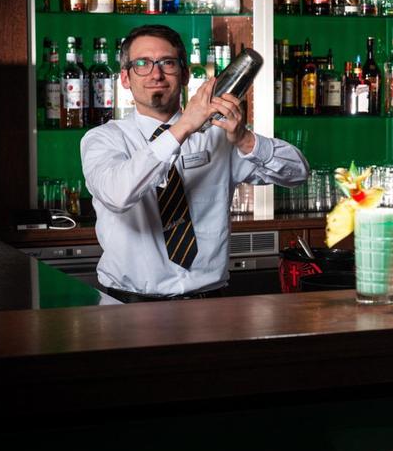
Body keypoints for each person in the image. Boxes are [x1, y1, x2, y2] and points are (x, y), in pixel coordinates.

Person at [81, 25, 309, 302]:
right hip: (128, 306)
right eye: (142, 64)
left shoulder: (218, 136)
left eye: (167, 63)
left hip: (209, 304)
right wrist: (184, 127)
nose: (156, 74)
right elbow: (118, 195)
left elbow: (298, 172)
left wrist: (245, 139)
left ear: (185, 74)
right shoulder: (103, 139)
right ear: (125, 78)